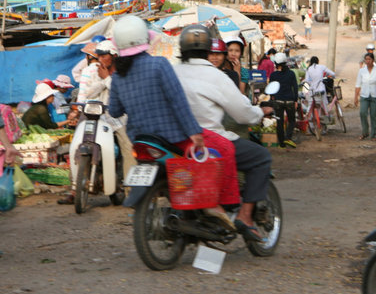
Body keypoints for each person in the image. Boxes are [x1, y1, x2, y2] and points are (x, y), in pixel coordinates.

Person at [109, 16, 238, 230]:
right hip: (173, 138)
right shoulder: (159, 65)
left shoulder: (118, 77)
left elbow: (114, 111)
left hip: (140, 141)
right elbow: (177, 100)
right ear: (144, 40)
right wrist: (194, 133)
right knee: (217, 151)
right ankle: (214, 205)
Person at [173, 24, 274, 241]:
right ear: (209, 50)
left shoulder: (173, 70)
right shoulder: (216, 77)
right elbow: (242, 113)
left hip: (175, 139)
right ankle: (245, 217)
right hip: (209, 138)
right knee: (261, 157)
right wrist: (260, 112)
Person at [60, 40, 137, 205]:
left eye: (104, 55)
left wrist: (108, 79)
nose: (100, 59)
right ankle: (74, 188)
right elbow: (86, 92)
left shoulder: (123, 72)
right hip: (94, 115)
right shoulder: (90, 70)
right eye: (99, 55)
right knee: (77, 145)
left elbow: (123, 93)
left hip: (117, 118)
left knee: (129, 149)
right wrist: (103, 81)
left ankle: (131, 192)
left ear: (113, 56)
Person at [269, 52, 298, 148]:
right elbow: (295, 87)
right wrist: (296, 100)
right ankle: (288, 137)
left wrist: (272, 97)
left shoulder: (273, 75)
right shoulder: (291, 74)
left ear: (276, 64)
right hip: (290, 101)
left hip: (278, 101)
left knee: (280, 122)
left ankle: (281, 144)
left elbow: (271, 89)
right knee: (292, 120)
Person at [355, 52, 376, 140]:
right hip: (364, 95)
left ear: (373, 60)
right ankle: (365, 132)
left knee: (374, 115)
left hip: (375, 95)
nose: (367, 61)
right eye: (366, 59)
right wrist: (355, 97)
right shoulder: (361, 71)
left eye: (369, 59)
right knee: (362, 113)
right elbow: (358, 84)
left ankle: (373, 134)